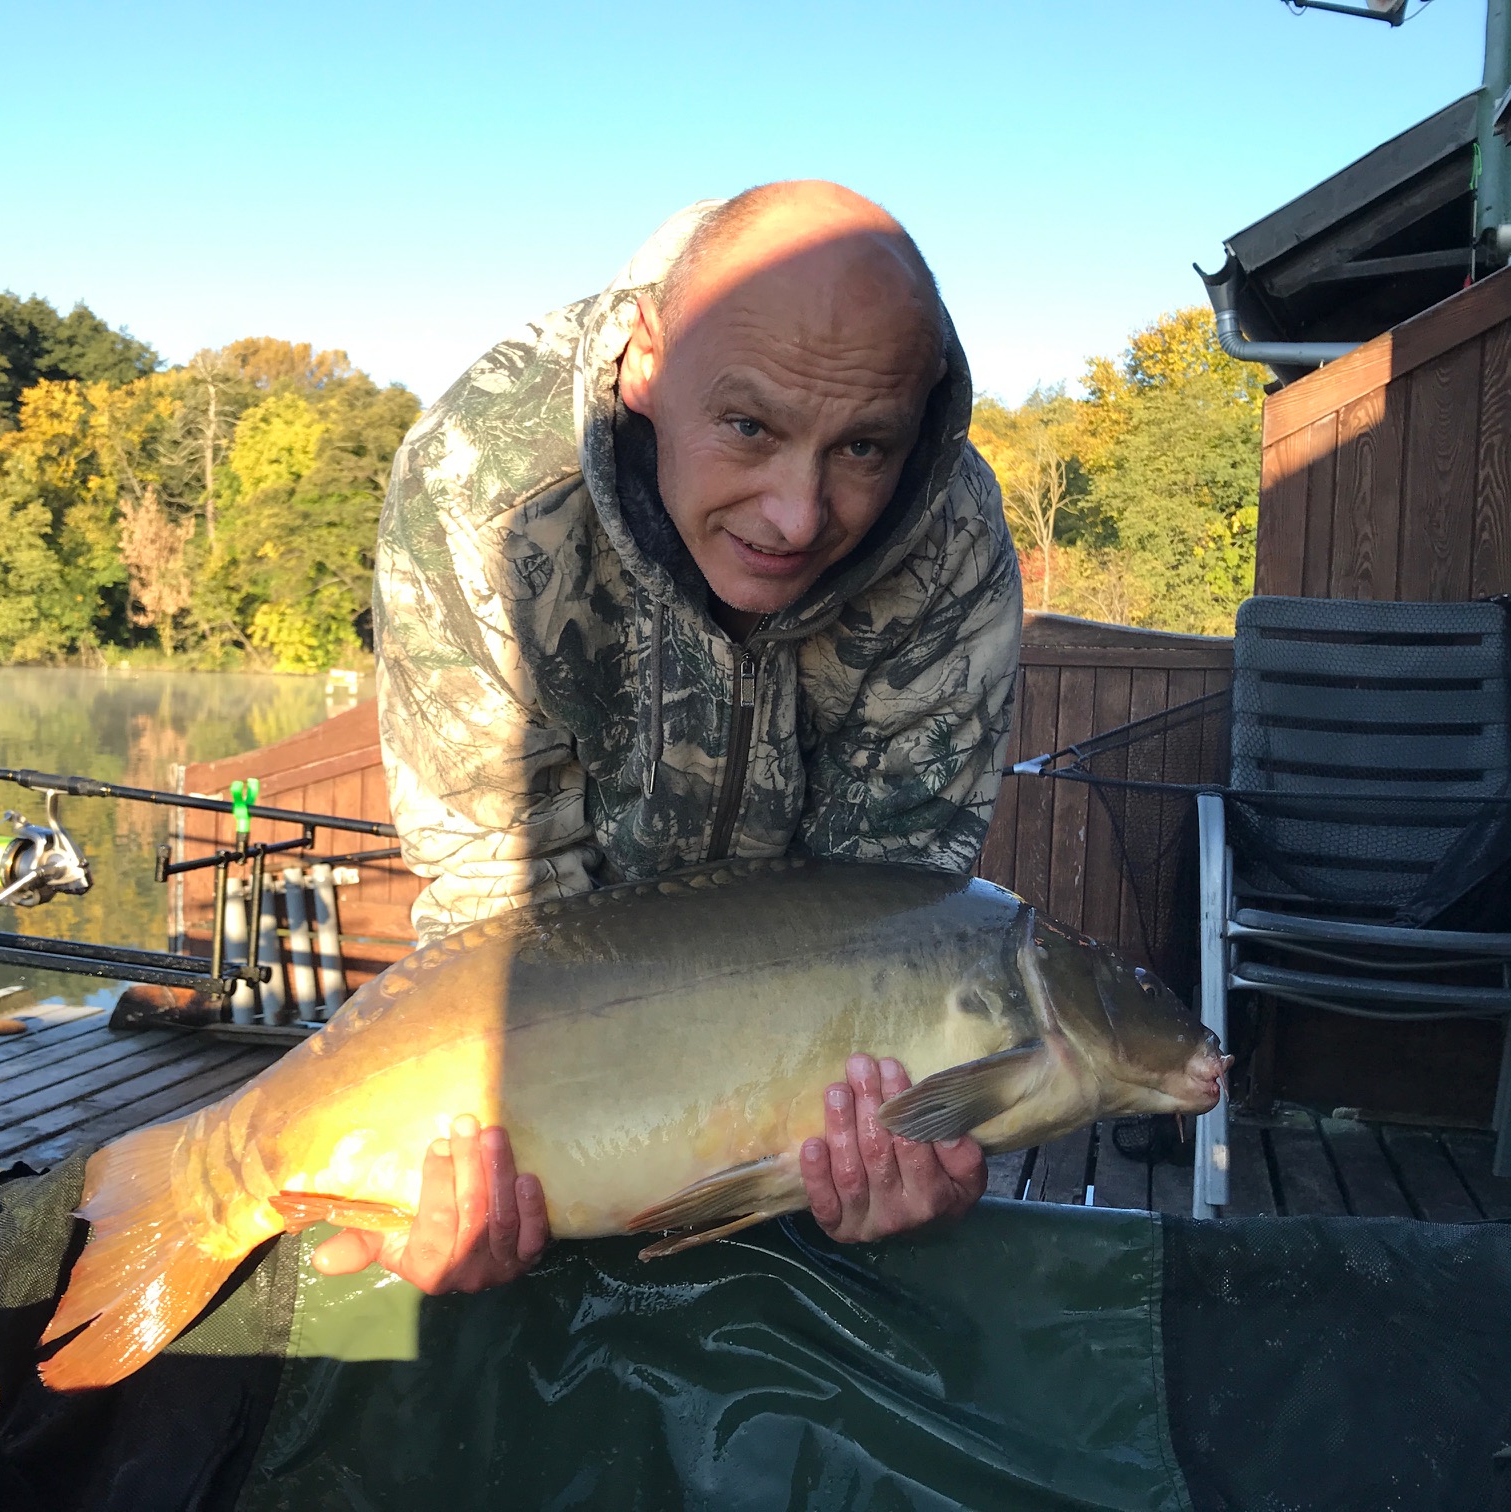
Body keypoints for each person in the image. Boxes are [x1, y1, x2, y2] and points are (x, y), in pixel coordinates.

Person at [314, 181, 1023, 1295]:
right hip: (569, 1012)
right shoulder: (483, 482)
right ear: (644, 359)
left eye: (862, 448)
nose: (797, 515)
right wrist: (480, 1156)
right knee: (447, 1235)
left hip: (794, 1042)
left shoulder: (954, 539)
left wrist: (900, 1136)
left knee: (882, 1188)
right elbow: (501, 897)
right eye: (749, 427)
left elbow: (893, 910)